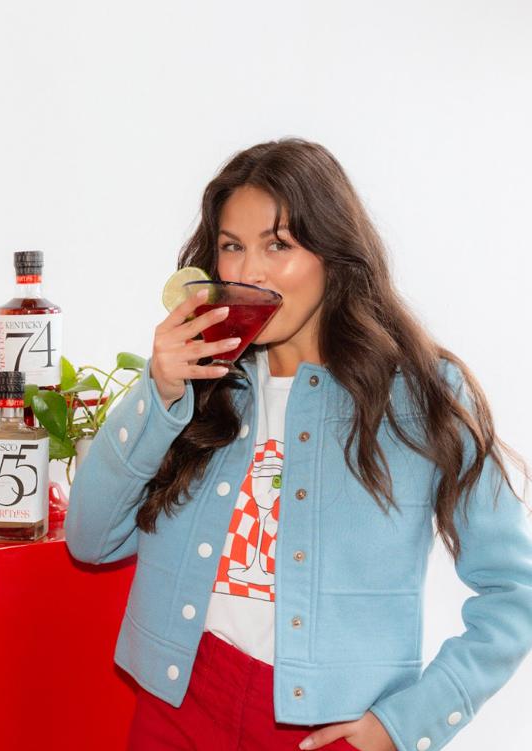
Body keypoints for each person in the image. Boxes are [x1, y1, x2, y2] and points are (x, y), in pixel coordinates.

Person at [65, 139, 532, 751]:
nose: (249, 272)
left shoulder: (420, 392)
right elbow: (91, 540)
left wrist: (405, 725)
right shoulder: (201, 387)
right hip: (179, 707)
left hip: (324, 730)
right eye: (232, 246)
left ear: (333, 254)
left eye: (277, 245)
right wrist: (159, 392)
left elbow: (514, 591)